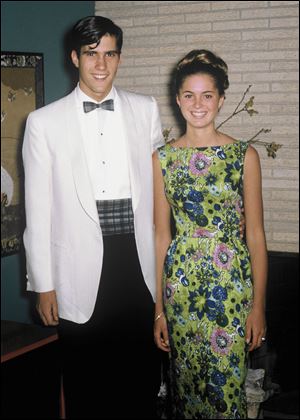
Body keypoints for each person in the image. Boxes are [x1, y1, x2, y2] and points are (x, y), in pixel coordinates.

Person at [22, 16, 164, 419]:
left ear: (119, 57)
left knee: (140, 382)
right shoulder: (43, 122)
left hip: (137, 265)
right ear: (75, 58)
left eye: (110, 54)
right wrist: (43, 284)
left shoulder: (146, 108)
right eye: (91, 54)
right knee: (87, 386)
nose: (101, 65)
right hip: (79, 271)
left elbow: (160, 191)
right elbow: (37, 209)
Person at [153, 49, 268, 419]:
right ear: (177, 99)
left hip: (231, 289)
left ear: (221, 98)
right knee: (185, 393)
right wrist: (158, 311)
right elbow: (161, 238)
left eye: (207, 95)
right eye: (189, 95)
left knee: (226, 395)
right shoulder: (162, 159)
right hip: (181, 292)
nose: (198, 104)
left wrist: (258, 306)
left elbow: (256, 237)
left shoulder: (243, 156)